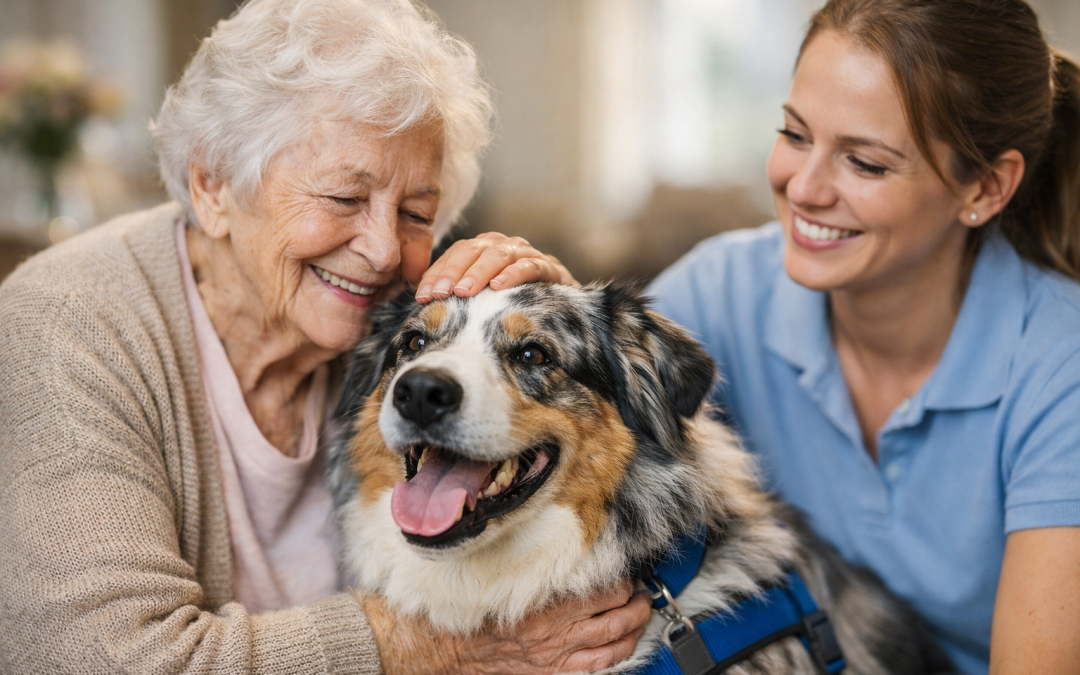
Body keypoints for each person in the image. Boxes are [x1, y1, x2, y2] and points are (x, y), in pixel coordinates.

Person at [0, 0, 650, 673]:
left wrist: (558, 313)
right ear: (212, 185)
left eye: (416, 212)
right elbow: (113, 660)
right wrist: (445, 644)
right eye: (344, 198)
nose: (378, 250)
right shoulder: (65, 327)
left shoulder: (397, 332)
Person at [634, 1, 1080, 674]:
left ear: (986, 187)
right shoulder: (720, 291)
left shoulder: (1062, 363)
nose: (804, 188)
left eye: (865, 163)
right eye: (794, 134)